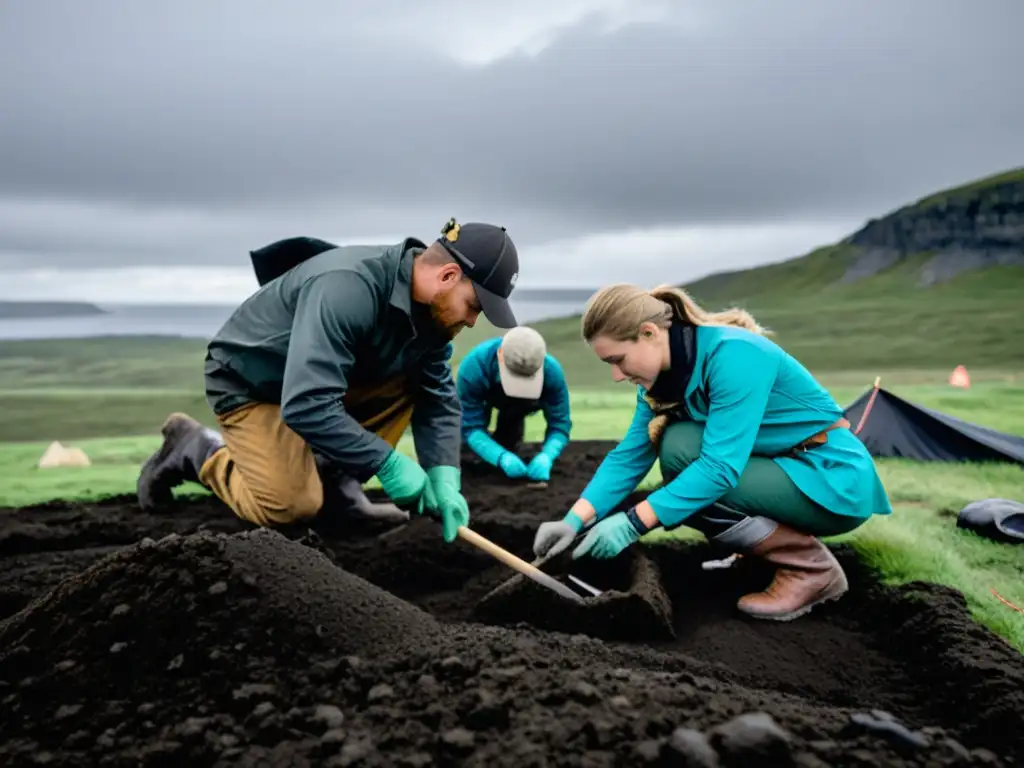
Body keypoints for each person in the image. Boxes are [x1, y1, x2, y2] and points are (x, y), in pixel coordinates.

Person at [136, 218, 522, 543]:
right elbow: (307, 403)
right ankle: (198, 449)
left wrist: (444, 476)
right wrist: (386, 463)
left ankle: (337, 488)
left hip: (326, 383)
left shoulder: (434, 321)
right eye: (474, 306)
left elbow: (437, 397)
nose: (472, 321)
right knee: (290, 507)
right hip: (253, 385)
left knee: (412, 383)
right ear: (448, 274)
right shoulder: (348, 286)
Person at [532, 283, 893, 621]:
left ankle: (810, 570)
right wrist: (573, 520)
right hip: (784, 469)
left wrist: (632, 522)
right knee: (680, 449)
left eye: (618, 359)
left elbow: (719, 468)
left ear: (649, 333)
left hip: (829, 476)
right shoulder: (659, 384)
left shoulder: (734, 356)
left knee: (682, 454)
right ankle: (757, 559)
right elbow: (629, 456)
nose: (616, 375)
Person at [456, 327, 572, 482]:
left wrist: (547, 455)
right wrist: (500, 457)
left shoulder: (552, 373)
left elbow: (560, 424)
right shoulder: (475, 368)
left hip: (521, 407)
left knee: (510, 432)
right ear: (500, 355)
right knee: (462, 449)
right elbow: (470, 426)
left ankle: (508, 445)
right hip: (486, 394)